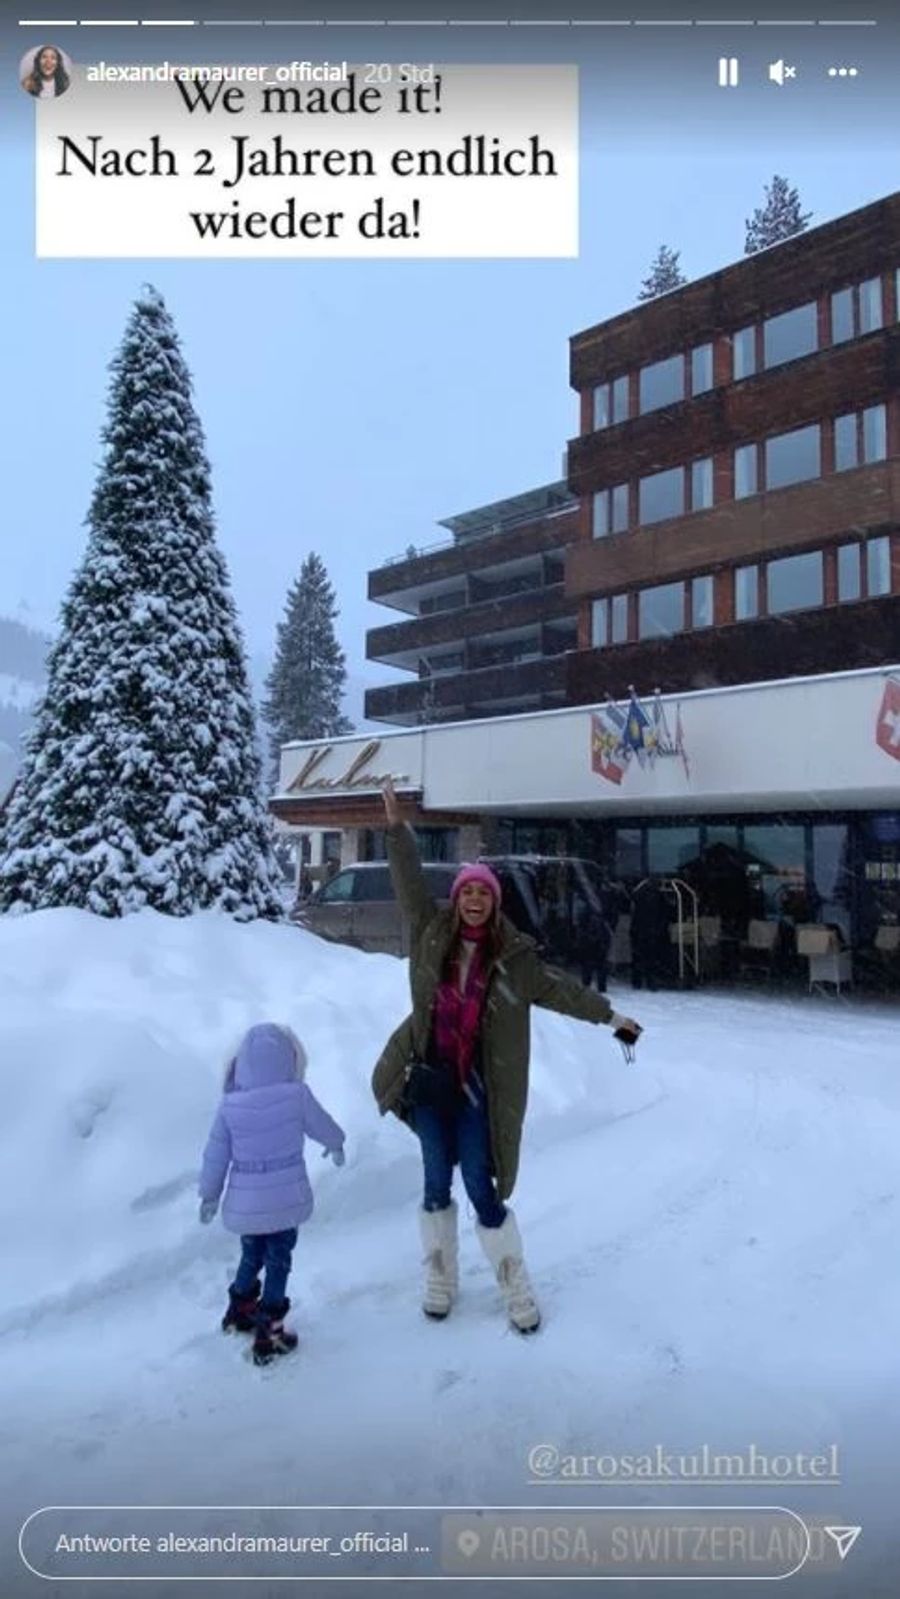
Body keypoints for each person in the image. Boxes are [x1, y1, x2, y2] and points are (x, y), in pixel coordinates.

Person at [371, 779, 642, 1335]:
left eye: (484, 894)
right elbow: (408, 884)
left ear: (494, 904)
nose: (474, 899)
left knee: (480, 1186)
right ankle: (440, 1277)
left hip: (477, 1094)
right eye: (468, 891)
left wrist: (613, 1018)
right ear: (459, 897)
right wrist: (397, 830)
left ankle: (514, 1280)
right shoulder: (430, 932)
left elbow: (565, 991)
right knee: (432, 1187)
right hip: (429, 1084)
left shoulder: (515, 961)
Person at [198, 1022, 346, 1366]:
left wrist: (209, 1195)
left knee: (252, 1255)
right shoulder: (296, 1096)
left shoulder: (230, 1105)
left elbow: (216, 1153)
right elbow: (321, 1124)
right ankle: (271, 1331)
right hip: (284, 1200)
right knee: (279, 1260)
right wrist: (335, 1143)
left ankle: (240, 1309)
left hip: (247, 1204)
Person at [630, 877, 674, 991]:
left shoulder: (638, 892)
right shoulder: (659, 895)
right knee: (651, 958)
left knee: (639, 957)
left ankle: (637, 981)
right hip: (652, 931)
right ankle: (650, 982)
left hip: (640, 930)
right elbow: (666, 912)